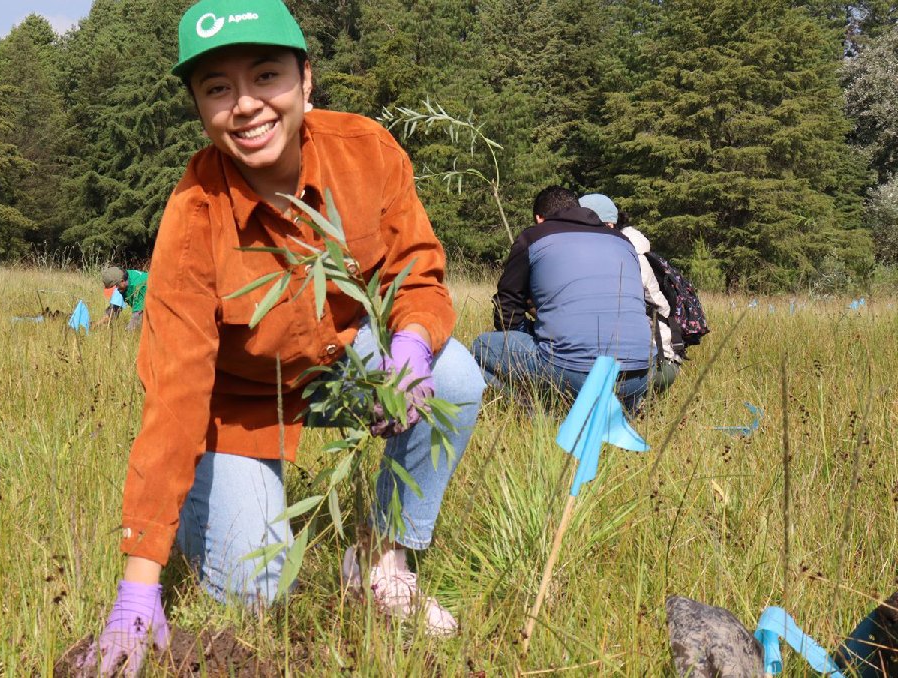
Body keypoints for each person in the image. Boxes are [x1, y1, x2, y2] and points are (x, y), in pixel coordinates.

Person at [93, 1, 486, 674]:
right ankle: (204, 510)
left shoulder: (366, 151)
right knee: (257, 595)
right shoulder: (194, 214)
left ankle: (382, 562)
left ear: (305, 80)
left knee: (455, 377)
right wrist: (138, 583)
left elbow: (417, 271)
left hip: (341, 362)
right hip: (239, 406)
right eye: (218, 88)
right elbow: (175, 394)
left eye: (266, 76)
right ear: (200, 108)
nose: (246, 104)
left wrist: (412, 344)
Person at [471, 186, 655, 411]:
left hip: (573, 372)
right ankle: (617, 411)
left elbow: (506, 307)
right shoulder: (622, 240)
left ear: (539, 218)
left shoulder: (533, 237)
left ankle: (541, 413)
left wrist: (526, 332)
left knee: (481, 347)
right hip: (639, 374)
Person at [578, 195, 681, 392]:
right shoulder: (624, 249)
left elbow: (657, 307)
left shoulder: (631, 256)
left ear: (608, 225)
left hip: (653, 361)